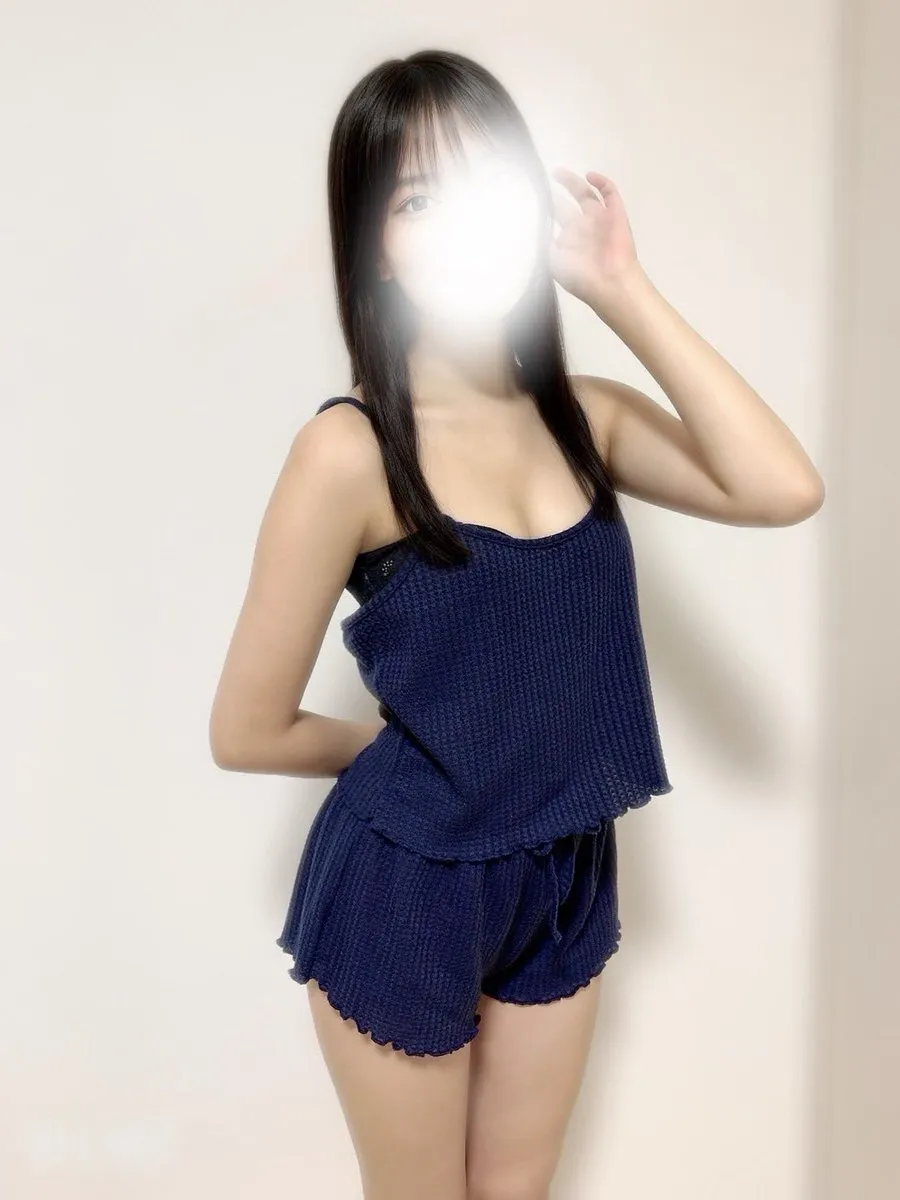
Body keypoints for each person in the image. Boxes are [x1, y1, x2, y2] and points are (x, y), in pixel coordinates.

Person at [208, 48, 824, 1200]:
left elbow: (783, 487)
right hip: (409, 882)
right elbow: (244, 730)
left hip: (564, 862)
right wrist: (426, 756)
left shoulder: (588, 418)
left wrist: (618, 287)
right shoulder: (348, 453)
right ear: (373, 245)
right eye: (415, 199)